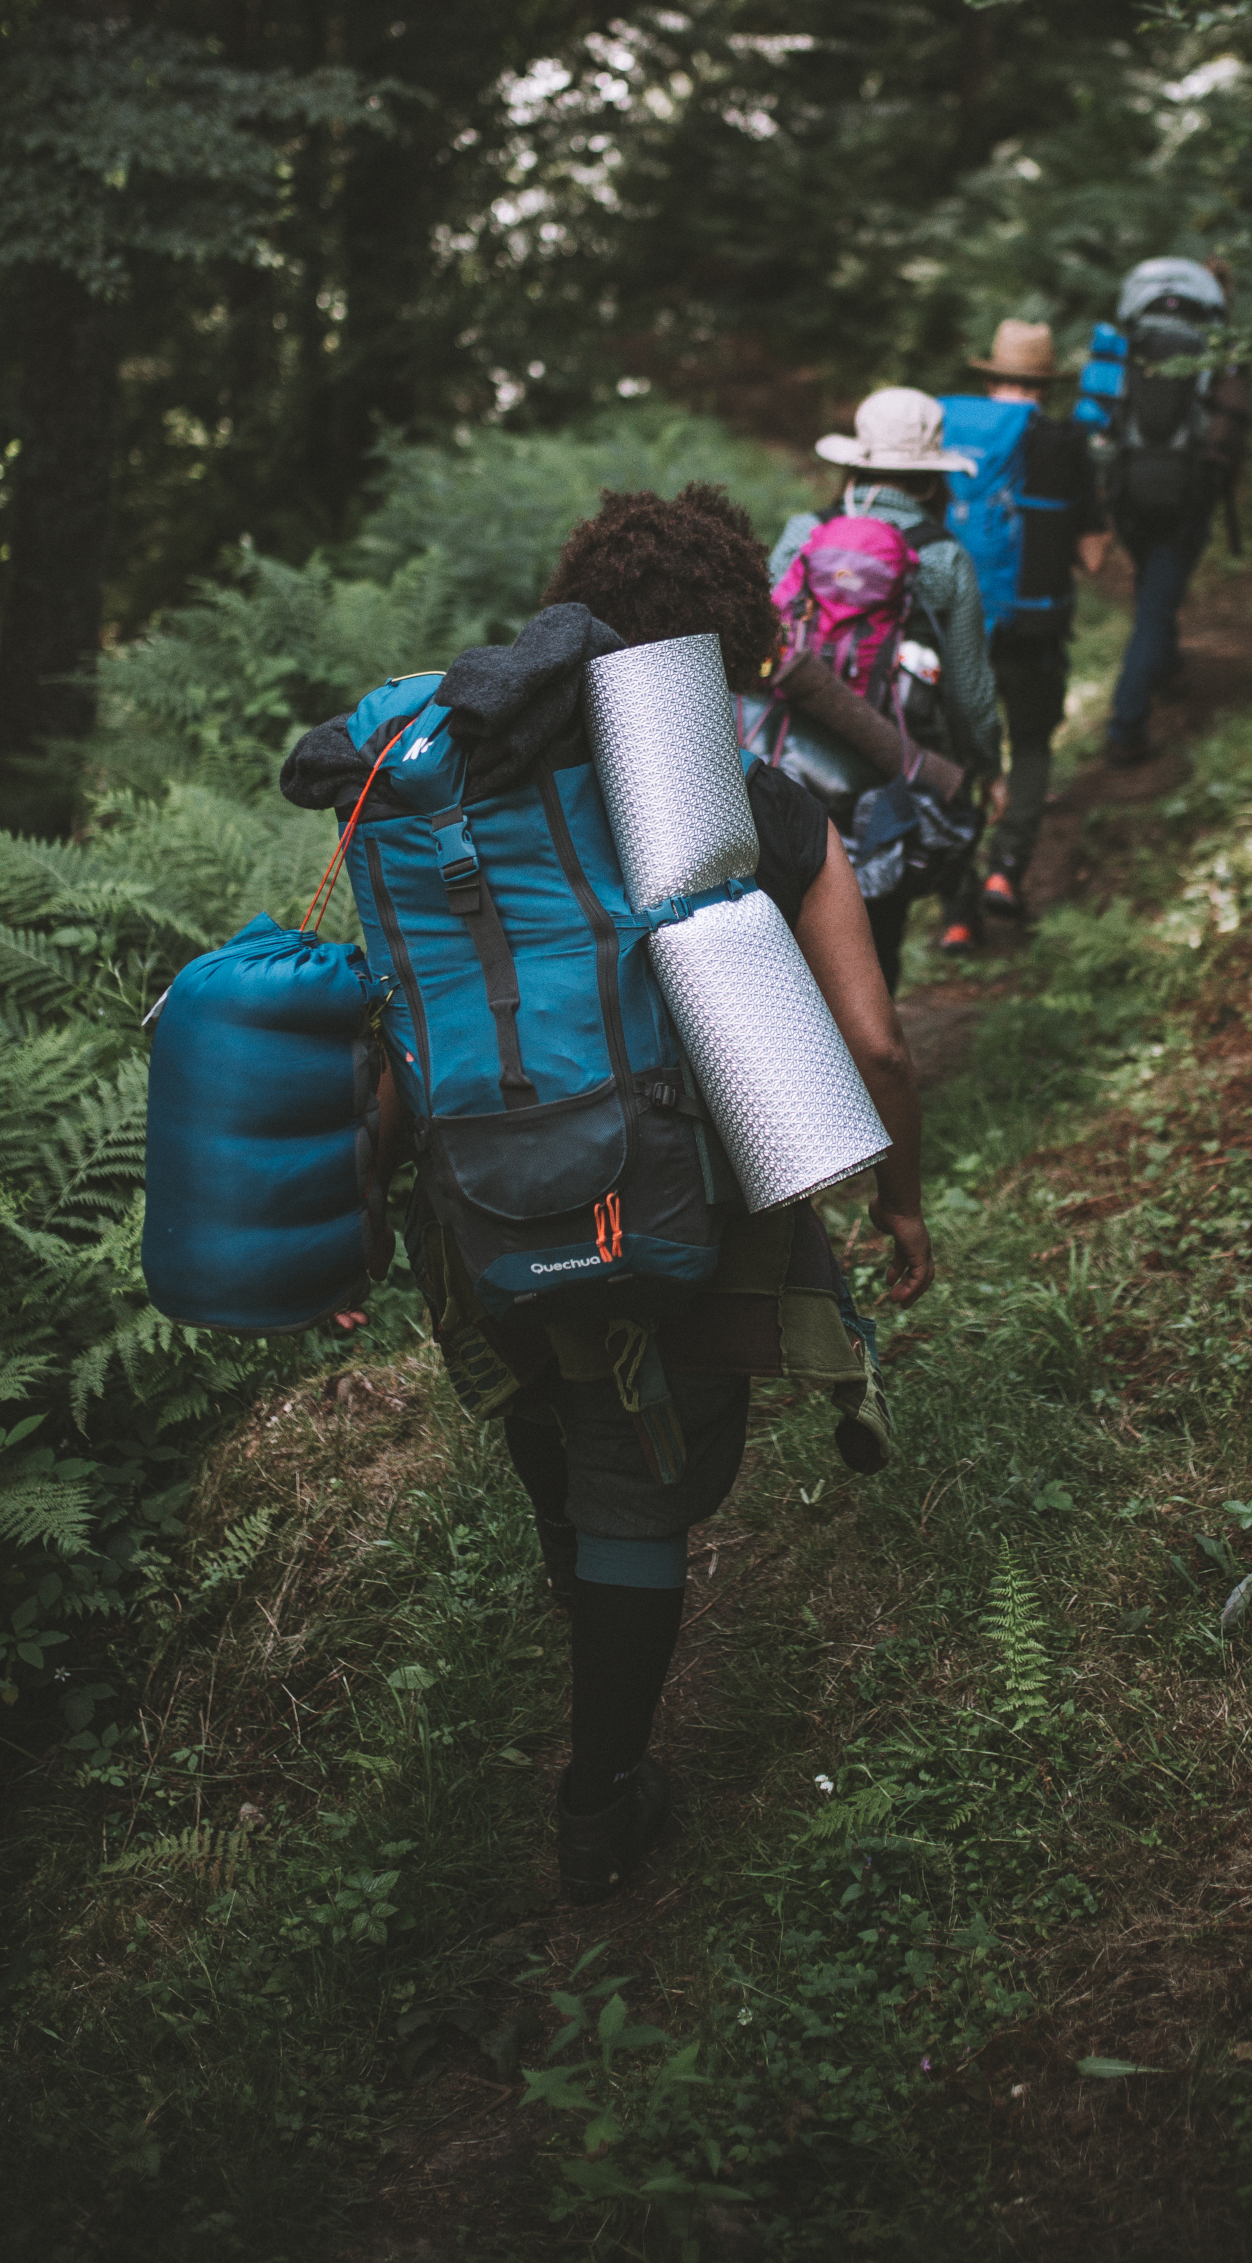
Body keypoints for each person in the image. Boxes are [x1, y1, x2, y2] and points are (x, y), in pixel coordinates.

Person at [360, 484, 932, 1906]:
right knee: (641, 1486)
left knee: (561, 1413)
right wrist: (900, 1199)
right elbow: (872, 1040)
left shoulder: (466, 809)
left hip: (483, 1194)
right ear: (738, 643)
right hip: (677, 1209)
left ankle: (591, 1617)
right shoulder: (764, 810)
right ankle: (602, 1800)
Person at [766, 388, 1001, 990]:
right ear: (930, 479)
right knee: (871, 950)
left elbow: (756, 642)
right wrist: (983, 766)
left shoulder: (803, 533)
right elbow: (969, 688)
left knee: (781, 944)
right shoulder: (943, 557)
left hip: (779, 766)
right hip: (885, 778)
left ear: (855, 462)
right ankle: (870, 1071)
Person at [938, 320, 1108, 942]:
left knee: (954, 757)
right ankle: (1005, 873)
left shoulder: (947, 434)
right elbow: (1094, 558)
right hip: (1033, 626)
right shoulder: (1065, 444)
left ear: (992, 375)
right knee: (1031, 744)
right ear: (1047, 383)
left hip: (953, 625)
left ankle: (956, 912)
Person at [1098, 257, 1251, 767]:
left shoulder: (1134, 337)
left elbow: (1101, 416)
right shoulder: (1221, 347)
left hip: (1128, 486)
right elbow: (1232, 429)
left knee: (1152, 583)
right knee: (1156, 602)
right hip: (1186, 491)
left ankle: (1164, 668)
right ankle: (1126, 725)